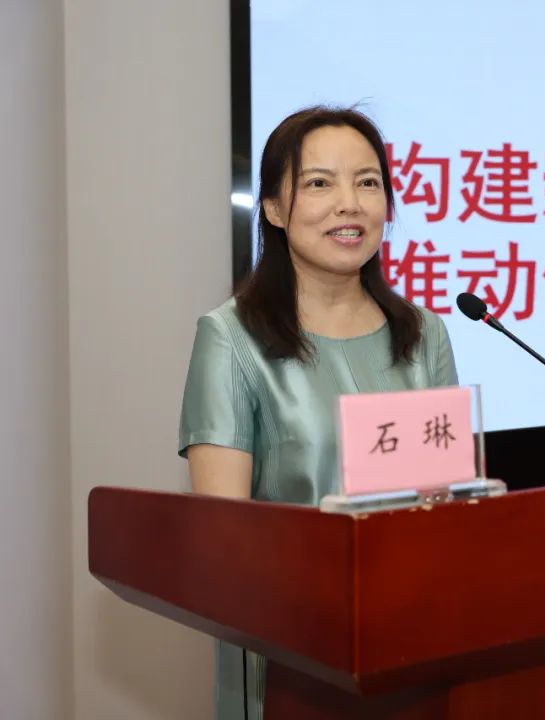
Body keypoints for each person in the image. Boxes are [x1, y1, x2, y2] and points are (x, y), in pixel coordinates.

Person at [177, 106, 458, 719]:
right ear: (274, 210)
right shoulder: (231, 338)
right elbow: (225, 536)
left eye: (367, 182)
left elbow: (446, 504)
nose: (349, 204)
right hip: (288, 656)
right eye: (319, 183)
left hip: (412, 642)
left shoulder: (424, 334)